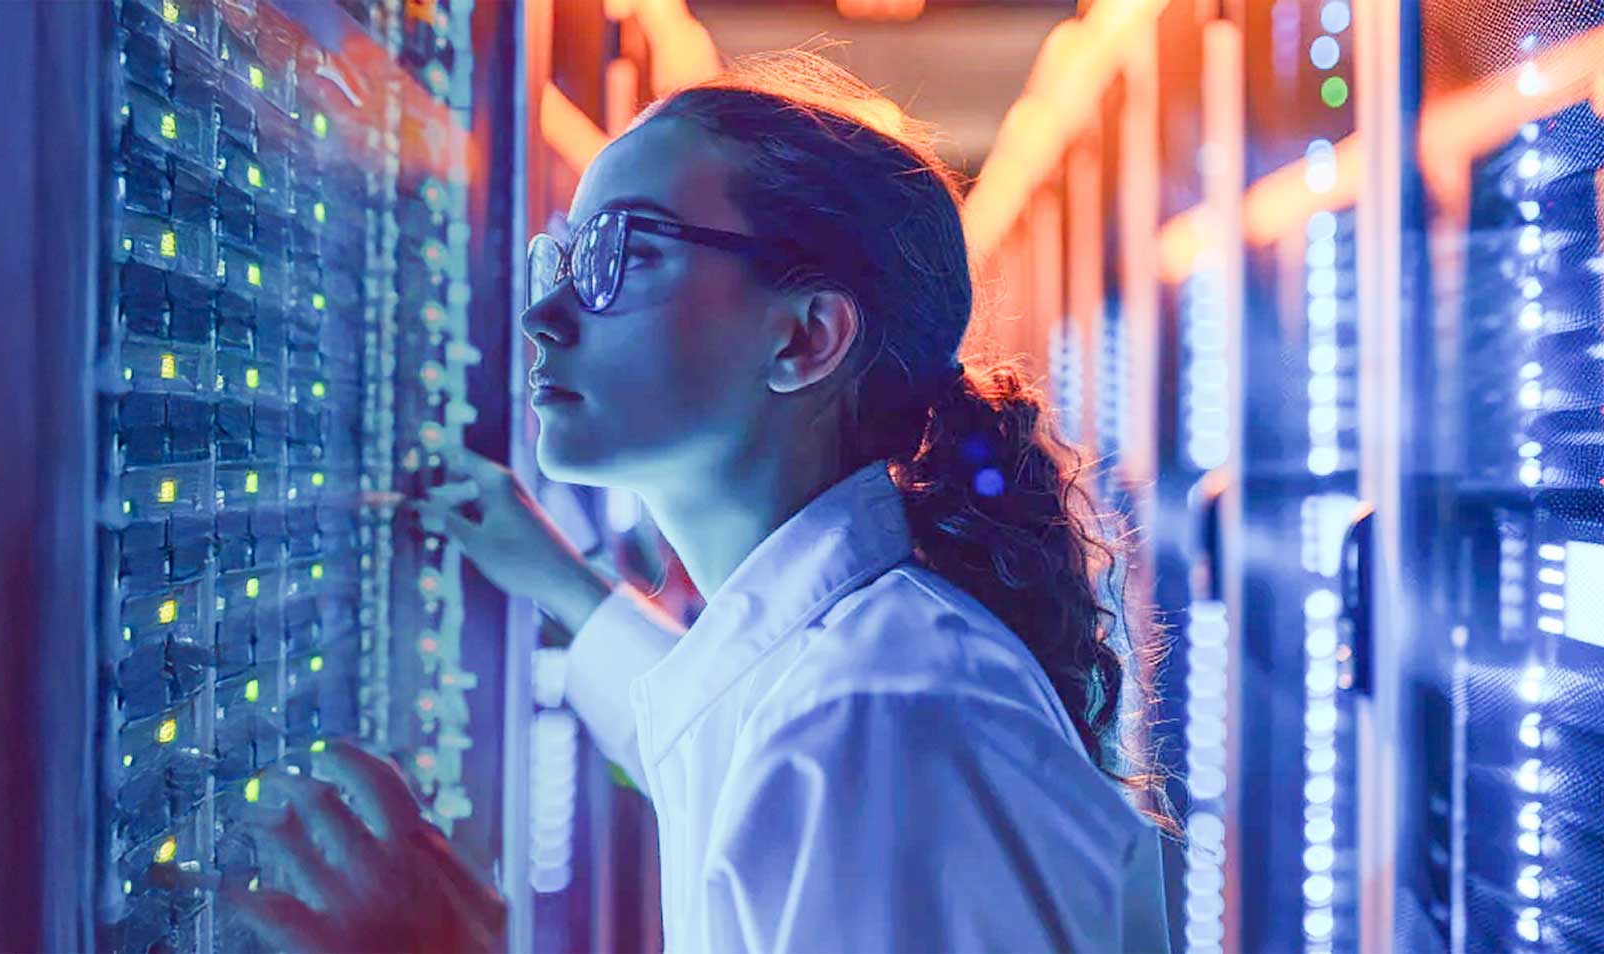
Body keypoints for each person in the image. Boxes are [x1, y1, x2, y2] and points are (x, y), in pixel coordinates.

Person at [234, 48, 1172, 953]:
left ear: (806, 338)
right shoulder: (850, 678)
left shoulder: (877, 720)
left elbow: (784, 749)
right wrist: (563, 585)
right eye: (562, 261)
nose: (543, 315)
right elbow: (719, 731)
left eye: (621, 253)